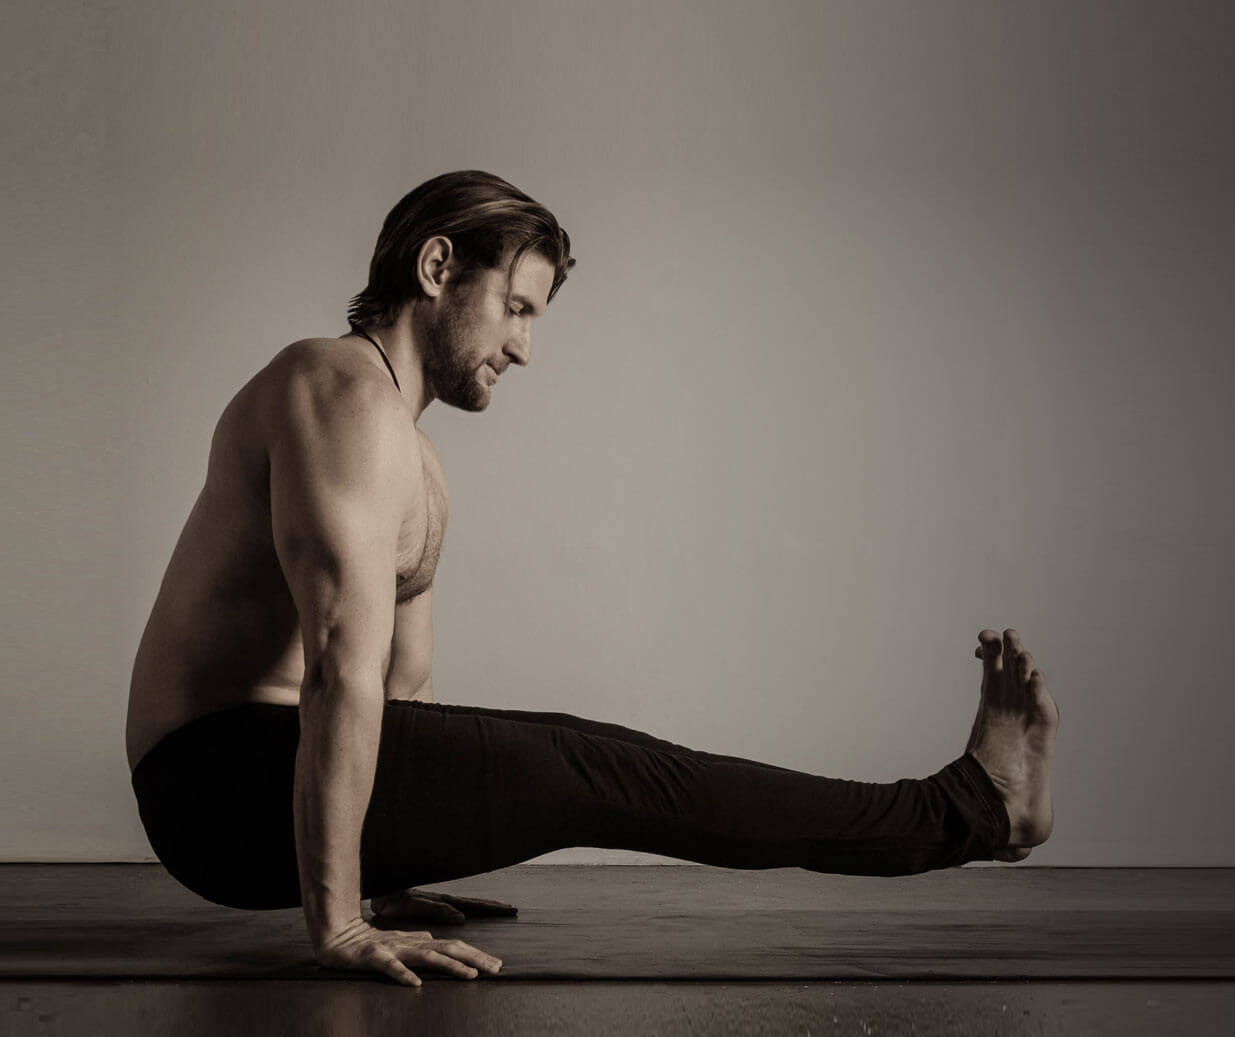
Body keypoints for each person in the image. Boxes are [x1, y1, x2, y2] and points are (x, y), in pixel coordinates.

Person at [124, 170, 1059, 988]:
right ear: (438, 268)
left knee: (588, 752)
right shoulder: (337, 394)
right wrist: (340, 924)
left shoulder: (408, 454)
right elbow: (338, 668)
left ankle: (973, 808)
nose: (526, 347)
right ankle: (970, 808)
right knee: (603, 770)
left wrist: (393, 864)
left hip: (269, 778)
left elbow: (410, 706)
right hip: (213, 789)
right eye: (518, 309)